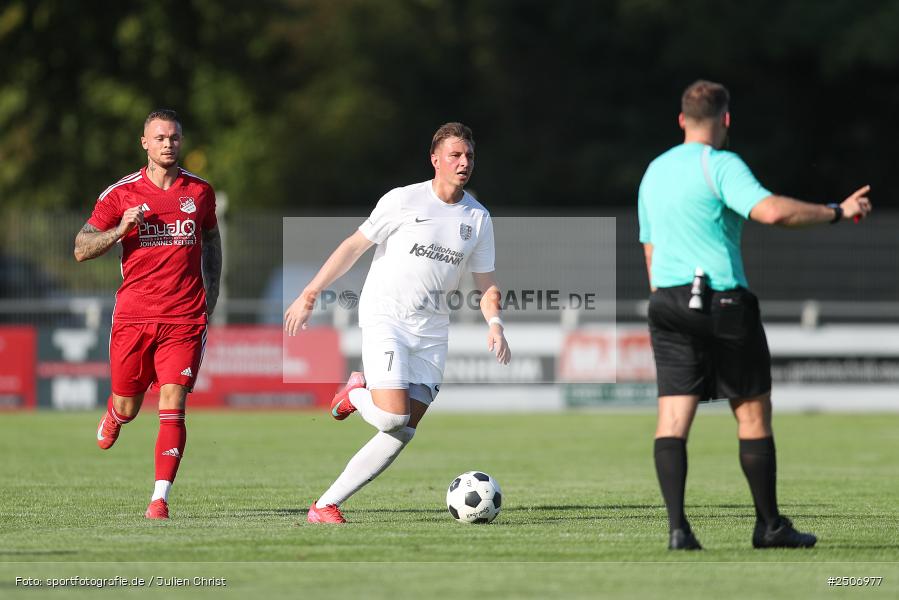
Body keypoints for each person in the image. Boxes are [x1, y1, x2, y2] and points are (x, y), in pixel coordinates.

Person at [638, 80, 872, 550]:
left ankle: (679, 531)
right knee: (752, 414)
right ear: (725, 120)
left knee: (673, 418)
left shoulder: (654, 171)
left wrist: (669, 298)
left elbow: (650, 248)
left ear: (682, 119)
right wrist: (836, 211)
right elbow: (771, 212)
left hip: (666, 300)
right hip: (722, 300)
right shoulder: (719, 165)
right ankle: (769, 526)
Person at [284, 122, 511, 523]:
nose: (464, 163)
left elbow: (486, 281)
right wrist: (310, 293)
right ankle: (355, 392)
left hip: (432, 331)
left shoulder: (478, 218)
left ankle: (325, 505)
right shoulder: (404, 200)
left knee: (402, 430)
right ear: (435, 159)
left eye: (469, 156)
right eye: (456, 155)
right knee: (392, 415)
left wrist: (495, 324)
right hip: (385, 317)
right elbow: (354, 246)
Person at [74, 109, 222, 520]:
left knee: (173, 401)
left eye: (174, 137)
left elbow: (211, 239)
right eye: (159, 138)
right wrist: (120, 230)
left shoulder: (200, 192)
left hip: (185, 317)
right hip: (134, 317)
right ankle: (115, 414)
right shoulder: (120, 194)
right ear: (145, 143)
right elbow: (81, 248)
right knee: (129, 405)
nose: (167, 144)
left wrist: (212, 294)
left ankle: (159, 498)